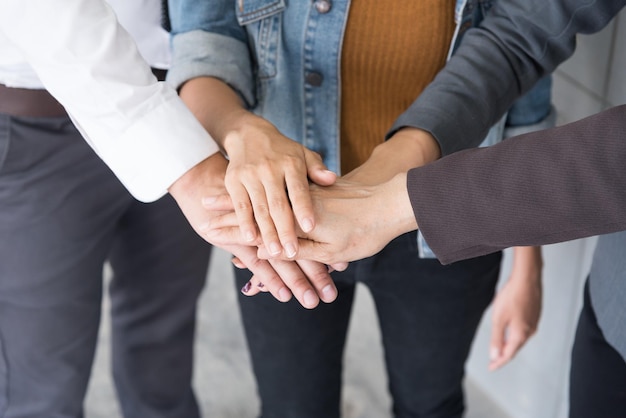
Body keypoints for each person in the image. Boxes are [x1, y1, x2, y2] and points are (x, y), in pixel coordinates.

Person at [234, 0, 626, 415]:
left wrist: (396, 200)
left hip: (433, 238)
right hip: (610, 300)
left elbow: (527, 75)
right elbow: (523, 31)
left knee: (429, 403)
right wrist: (390, 166)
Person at [167, 0, 549, 416]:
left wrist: (528, 264)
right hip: (289, 214)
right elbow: (201, 45)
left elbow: (524, 74)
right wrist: (241, 130)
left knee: (430, 404)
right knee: (291, 407)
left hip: (442, 211)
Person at [0, 1, 338, 417]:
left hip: (192, 93)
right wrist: (194, 171)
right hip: (40, 118)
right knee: (43, 378)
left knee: (164, 341)